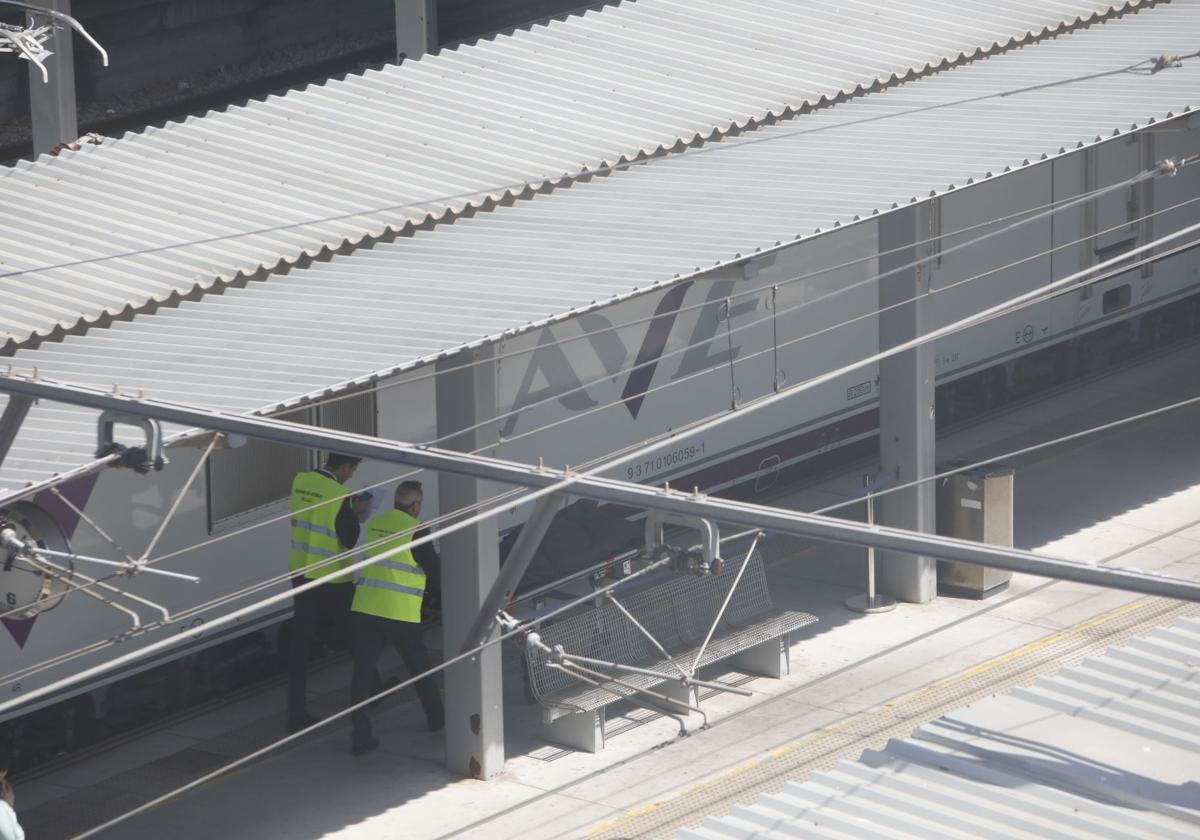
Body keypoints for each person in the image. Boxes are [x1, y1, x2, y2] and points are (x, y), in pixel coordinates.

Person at [349, 481, 444, 755]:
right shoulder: (416, 530)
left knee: (362, 673)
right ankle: (437, 720)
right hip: (398, 612)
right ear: (415, 506)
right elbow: (435, 573)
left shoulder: (376, 524)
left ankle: (360, 736)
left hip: (366, 606)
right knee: (419, 667)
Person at [286, 453, 370, 733]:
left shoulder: (300, 481)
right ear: (345, 467)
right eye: (353, 470)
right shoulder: (340, 494)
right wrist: (356, 513)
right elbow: (348, 539)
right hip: (333, 578)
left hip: (300, 573)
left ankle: (295, 714)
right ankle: (371, 693)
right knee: (356, 637)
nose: (352, 475)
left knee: (300, 646)